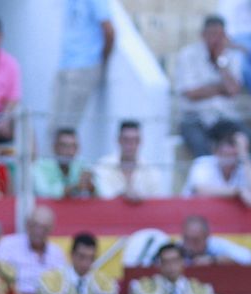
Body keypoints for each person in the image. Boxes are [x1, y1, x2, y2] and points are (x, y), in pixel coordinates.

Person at [172, 15, 251, 160]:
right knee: (202, 151)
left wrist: (221, 62)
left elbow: (233, 90)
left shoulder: (231, 57)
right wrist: (221, 89)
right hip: (194, 118)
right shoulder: (188, 55)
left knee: (250, 140)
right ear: (203, 35)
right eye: (212, 35)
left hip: (224, 117)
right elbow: (191, 93)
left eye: (220, 35)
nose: (216, 40)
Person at [50, 0, 113, 137]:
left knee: (66, 131)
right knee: (53, 129)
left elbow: (109, 31)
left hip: (84, 67)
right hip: (65, 66)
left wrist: (100, 62)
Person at [36, 232, 124, 294]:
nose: (86, 263)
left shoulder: (102, 280)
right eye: (82, 257)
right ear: (72, 255)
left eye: (91, 258)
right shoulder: (53, 278)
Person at [0, 205, 67, 294]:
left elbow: (62, 286)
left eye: (44, 228)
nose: (38, 231)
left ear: (51, 229)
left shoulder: (57, 253)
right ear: (27, 225)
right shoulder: (7, 245)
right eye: (35, 225)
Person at [181, 133, 251, 207]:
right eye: (227, 154)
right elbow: (200, 189)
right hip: (196, 213)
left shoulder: (242, 168)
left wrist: (244, 156)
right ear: (216, 152)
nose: (230, 158)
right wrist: (238, 191)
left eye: (234, 154)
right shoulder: (204, 163)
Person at [93, 120, 166, 201]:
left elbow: (156, 201)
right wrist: (124, 196)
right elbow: (103, 197)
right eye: (126, 140)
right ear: (119, 140)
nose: (130, 144)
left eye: (135, 140)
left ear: (140, 142)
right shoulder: (103, 166)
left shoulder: (151, 171)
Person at [31, 127, 96, 200]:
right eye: (64, 146)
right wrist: (73, 188)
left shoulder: (82, 165)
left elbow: (100, 192)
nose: (69, 152)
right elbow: (43, 192)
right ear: (54, 147)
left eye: (73, 146)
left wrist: (91, 187)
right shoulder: (40, 166)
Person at [179, 213, 251, 266]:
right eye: (186, 239)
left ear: (206, 236)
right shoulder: (178, 247)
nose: (190, 245)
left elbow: (247, 257)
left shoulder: (216, 245)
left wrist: (213, 260)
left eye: (195, 240)